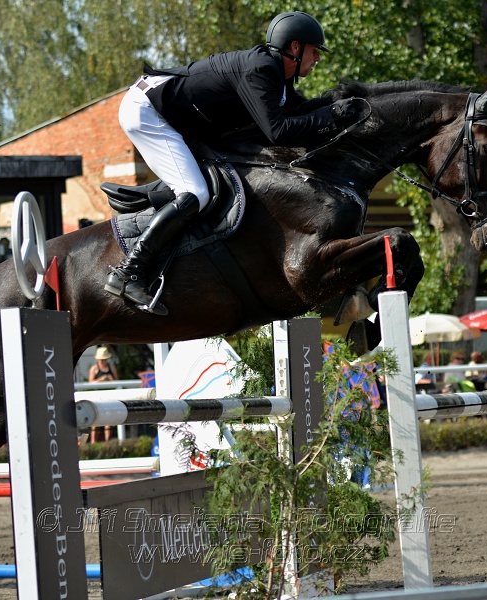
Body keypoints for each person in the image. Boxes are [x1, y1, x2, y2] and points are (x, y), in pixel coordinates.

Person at [105, 11, 364, 316]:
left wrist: (331, 104)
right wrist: (331, 116)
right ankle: (128, 272)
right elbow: (278, 130)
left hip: (174, 115)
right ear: (295, 47)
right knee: (196, 193)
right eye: (314, 50)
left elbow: (298, 112)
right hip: (148, 111)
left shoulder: (278, 77)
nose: (317, 58)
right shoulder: (262, 69)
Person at [88, 347, 119, 442]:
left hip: (108, 397)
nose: (103, 362)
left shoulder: (111, 368)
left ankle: (107, 443)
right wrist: (100, 380)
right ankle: (93, 443)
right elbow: (90, 383)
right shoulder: (94, 369)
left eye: (104, 360)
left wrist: (110, 379)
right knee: (95, 422)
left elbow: (117, 382)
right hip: (97, 397)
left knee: (108, 421)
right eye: (102, 360)